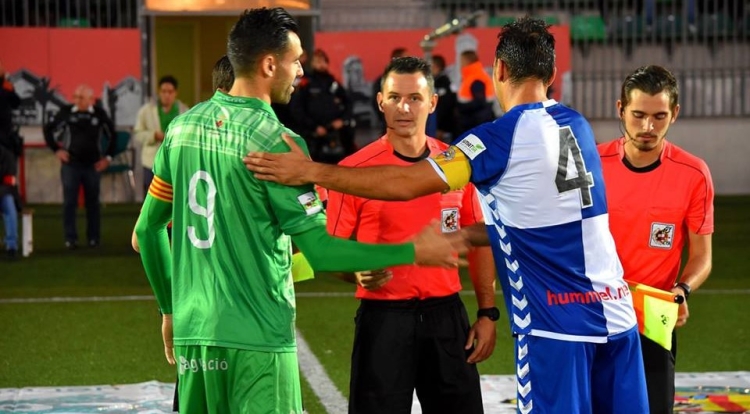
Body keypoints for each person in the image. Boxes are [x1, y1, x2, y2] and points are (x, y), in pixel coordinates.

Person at [244, 16, 649, 414]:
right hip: (617, 316)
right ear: (553, 72)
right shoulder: (576, 125)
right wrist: (460, 239)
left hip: (558, 326)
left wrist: (310, 171)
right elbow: (531, 225)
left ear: (499, 69)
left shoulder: (495, 140)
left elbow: (406, 184)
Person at [133, 7, 464, 413]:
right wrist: (413, 251)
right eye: (296, 61)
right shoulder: (278, 142)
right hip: (257, 338)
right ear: (269, 64)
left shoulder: (181, 129)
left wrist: (169, 311)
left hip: (193, 338)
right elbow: (323, 251)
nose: (300, 72)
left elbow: (146, 233)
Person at [328, 56, 497, 414]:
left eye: (415, 98)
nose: (404, 108)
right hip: (384, 319)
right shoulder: (353, 172)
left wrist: (487, 313)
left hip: (447, 318)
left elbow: (480, 243)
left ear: (432, 102)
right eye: (394, 98)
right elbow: (331, 250)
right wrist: (354, 272)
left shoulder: (456, 165)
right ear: (380, 101)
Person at [598, 65, 714, 414]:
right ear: (620, 109)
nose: (648, 127)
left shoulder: (693, 174)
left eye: (659, 116)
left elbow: (702, 257)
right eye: (638, 115)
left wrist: (682, 290)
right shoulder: (592, 164)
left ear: (674, 114)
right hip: (595, 312)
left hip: (654, 319)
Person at [43, 85, 116, 249]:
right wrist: (57, 150)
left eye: (81, 97)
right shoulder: (66, 112)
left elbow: (113, 135)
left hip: (93, 166)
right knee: (69, 202)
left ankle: (94, 238)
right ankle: (70, 238)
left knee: (93, 203)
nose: (76, 99)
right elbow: (48, 130)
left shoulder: (99, 113)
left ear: (91, 99)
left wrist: (108, 158)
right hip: (71, 165)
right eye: (75, 96)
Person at [290, 48, 355, 163]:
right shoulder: (306, 83)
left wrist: (342, 120)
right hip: (313, 134)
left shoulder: (333, 82)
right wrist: (314, 127)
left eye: (322, 61)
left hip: (334, 132)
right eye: (317, 61)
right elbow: (297, 109)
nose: (320, 64)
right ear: (312, 63)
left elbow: (348, 102)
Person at [133, 75, 189, 197]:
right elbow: (137, 134)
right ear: (159, 92)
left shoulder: (185, 112)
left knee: (175, 197)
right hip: (151, 161)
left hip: (175, 161)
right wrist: (153, 135)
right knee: (152, 197)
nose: (167, 95)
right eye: (163, 91)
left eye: (170, 92)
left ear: (176, 93)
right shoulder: (146, 110)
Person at [0, 60, 21, 259]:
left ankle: (12, 243)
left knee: (7, 200)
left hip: (5, 150)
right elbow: (17, 101)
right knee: (8, 201)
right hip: (5, 149)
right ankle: (12, 244)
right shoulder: (6, 93)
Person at [455, 50, 495, 136]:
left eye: (461, 60)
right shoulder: (472, 76)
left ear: (467, 61)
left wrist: (460, 108)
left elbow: (480, 102)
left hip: (475, 123)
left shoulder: (476, 78)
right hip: (474, 122)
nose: (460, 63)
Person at [372, 47, 407, 133]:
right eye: (406, 58)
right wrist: (386, 117)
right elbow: (375, 102)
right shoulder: (384, 80)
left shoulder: (412, 81)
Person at [431, 54, 457, 143]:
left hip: (443, 129)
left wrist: (441, 128)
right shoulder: (433, 82)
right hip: (434, 126)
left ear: (437, 67)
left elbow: (446, 107)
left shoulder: (444, 83)